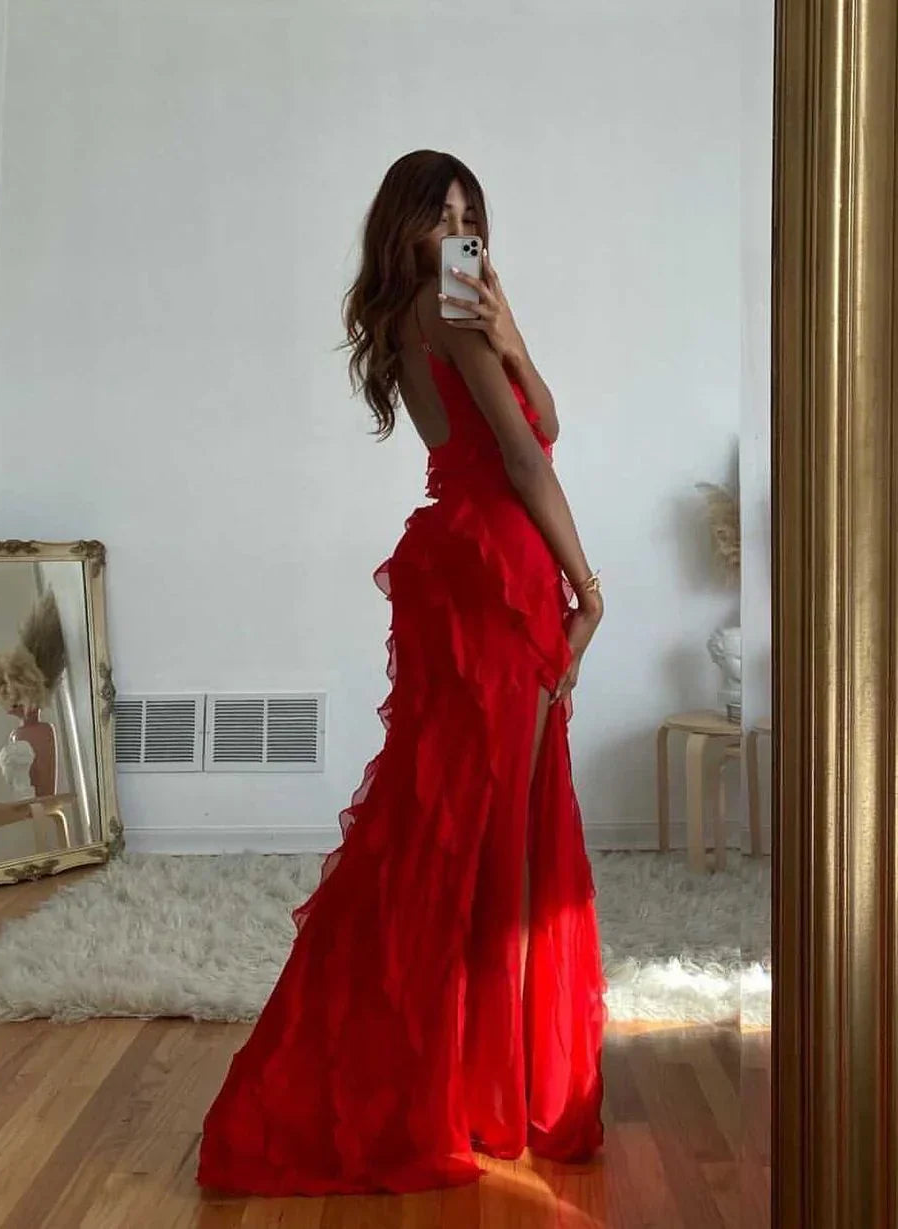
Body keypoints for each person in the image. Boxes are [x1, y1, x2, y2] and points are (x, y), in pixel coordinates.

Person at [196, 150, 607, 1197]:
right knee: (491, 833)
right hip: (500, 569)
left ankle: (468, 1075)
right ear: (406, 220)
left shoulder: (414, 313)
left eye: (470, 211)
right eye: (440, 210)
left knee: (449, 820)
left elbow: (544, 420)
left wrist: (513, 335)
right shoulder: (447, 303)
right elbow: (525, 456)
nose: (459, 227)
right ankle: (483, 1087)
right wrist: (589, 586)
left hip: (457, 560)